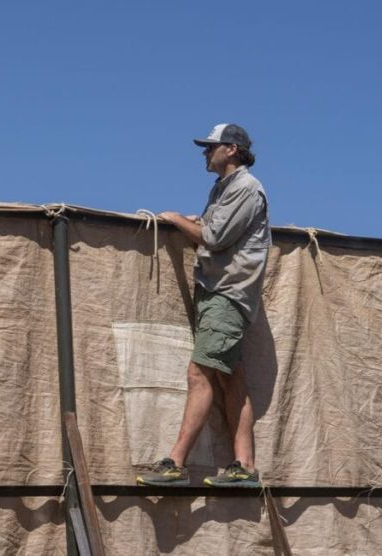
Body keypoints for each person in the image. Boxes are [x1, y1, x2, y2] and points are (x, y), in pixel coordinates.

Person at [136, 123, 271, 488]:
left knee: (199, 374)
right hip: (219, 292)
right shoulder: (222, 189)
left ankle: (176, 464)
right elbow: (216, 232)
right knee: (230, 378)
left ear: (231, 149)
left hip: (228, 295)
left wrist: (176, 219)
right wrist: (199, 221)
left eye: (210, 147)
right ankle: (244, 467)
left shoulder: (245, 188)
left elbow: (212, 238)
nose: (204, 153)